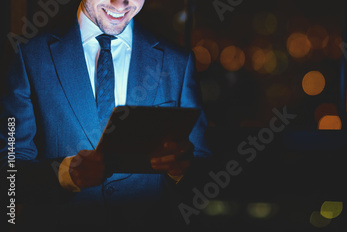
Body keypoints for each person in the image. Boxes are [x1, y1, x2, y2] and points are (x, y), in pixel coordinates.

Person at [0, 0, 211, 229]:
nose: (121, 3)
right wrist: (65, 175)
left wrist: (180, 169)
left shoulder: (178, 62)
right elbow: (9, 174)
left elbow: (203, 171)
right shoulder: (29, 55)